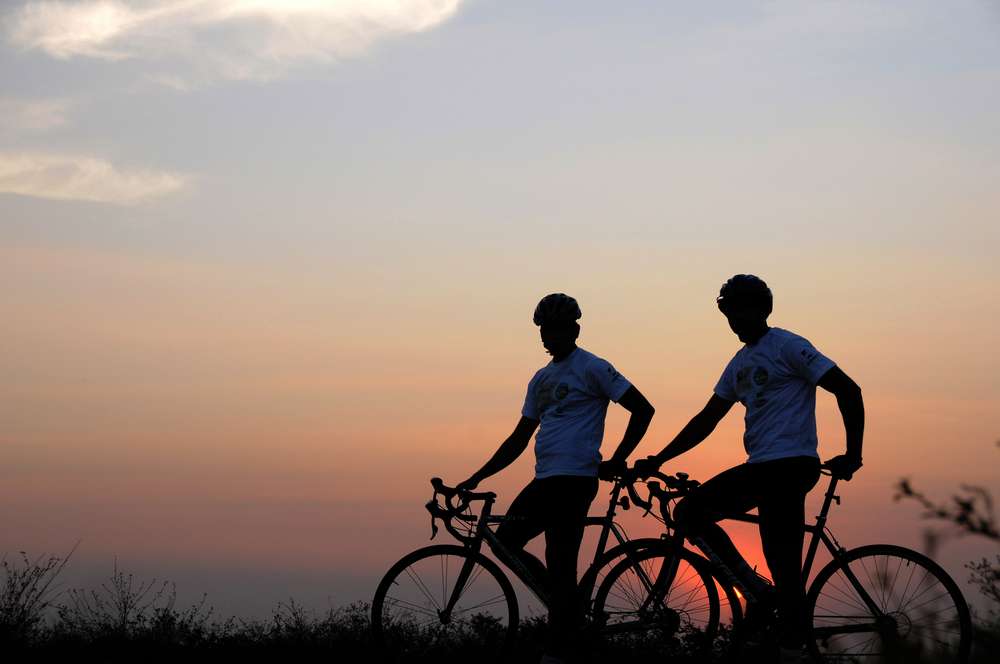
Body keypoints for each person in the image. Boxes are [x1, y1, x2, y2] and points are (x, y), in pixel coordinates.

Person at [636, 274, 864, 663]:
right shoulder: (739, 363)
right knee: (691, 512)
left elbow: (848, 389)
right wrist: (659, 458)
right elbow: (706, 419)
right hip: (762, 467)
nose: (734, 320)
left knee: (783, 562)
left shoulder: (789, 346)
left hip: (791, 465)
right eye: (729, 313)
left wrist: (852, 454)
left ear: (761, 309)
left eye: (740, 310)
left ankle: (789, 638)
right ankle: (762, 594)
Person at [457, 293, 655, 664]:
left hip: (576, 479)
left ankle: (560, 643)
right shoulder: (541, 379)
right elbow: (519, 437)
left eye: (558, 328)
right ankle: (569, 610)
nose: (551, 336)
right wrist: (477, 477)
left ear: (575, 329)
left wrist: (617, 459)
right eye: (545, 329)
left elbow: (643, 409)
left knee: (560, 561)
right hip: (546, 479)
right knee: (506, 543)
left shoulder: (593, 367)